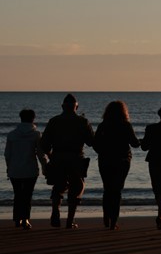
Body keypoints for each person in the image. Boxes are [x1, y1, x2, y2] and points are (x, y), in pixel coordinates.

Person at [39, 94, 95, 228]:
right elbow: (91, 142)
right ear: (77, 106)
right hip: (76, 158)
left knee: (58, 187)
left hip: (58, 158)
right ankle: (70, 220)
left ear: (62, 106)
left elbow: (44, 144)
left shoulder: (54, 121)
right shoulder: (83, 121)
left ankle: (55, 212)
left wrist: (50, 155)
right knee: (76, 188)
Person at [92, 100, 139, 230]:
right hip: (122, 160)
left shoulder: (103, 125)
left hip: (105, 160)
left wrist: (103, 152)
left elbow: (95, 144)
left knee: (107, 189)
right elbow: (135, 143)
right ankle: (114, 221)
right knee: (117, 190)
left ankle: (106, 216)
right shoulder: (125, 125)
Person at [6, 109, 45, 230]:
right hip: (30, 169)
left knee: (18, 194)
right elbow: (40, 153)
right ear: (33, 119)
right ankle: (25, 219)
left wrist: (9, 167)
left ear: (20, 118)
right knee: (27, 195)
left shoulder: (12, 134)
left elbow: (7, 154)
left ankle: (17, 219)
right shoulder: (36, 134)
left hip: (15, 170)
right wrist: (45, 165)